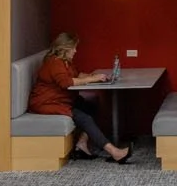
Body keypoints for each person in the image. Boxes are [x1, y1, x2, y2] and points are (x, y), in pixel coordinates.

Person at [30, 32, 129, 163]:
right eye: (73, 48)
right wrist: (92, 78)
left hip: (62, 100)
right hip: (47, 103)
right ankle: (114, 152)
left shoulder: (65, 62)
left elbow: (76, 75)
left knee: (91, 105)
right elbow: (66, 82)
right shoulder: (54, 63)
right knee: (84, 118)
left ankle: (82, 144)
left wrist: (95, 77)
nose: (75, 51)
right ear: (65, 48)